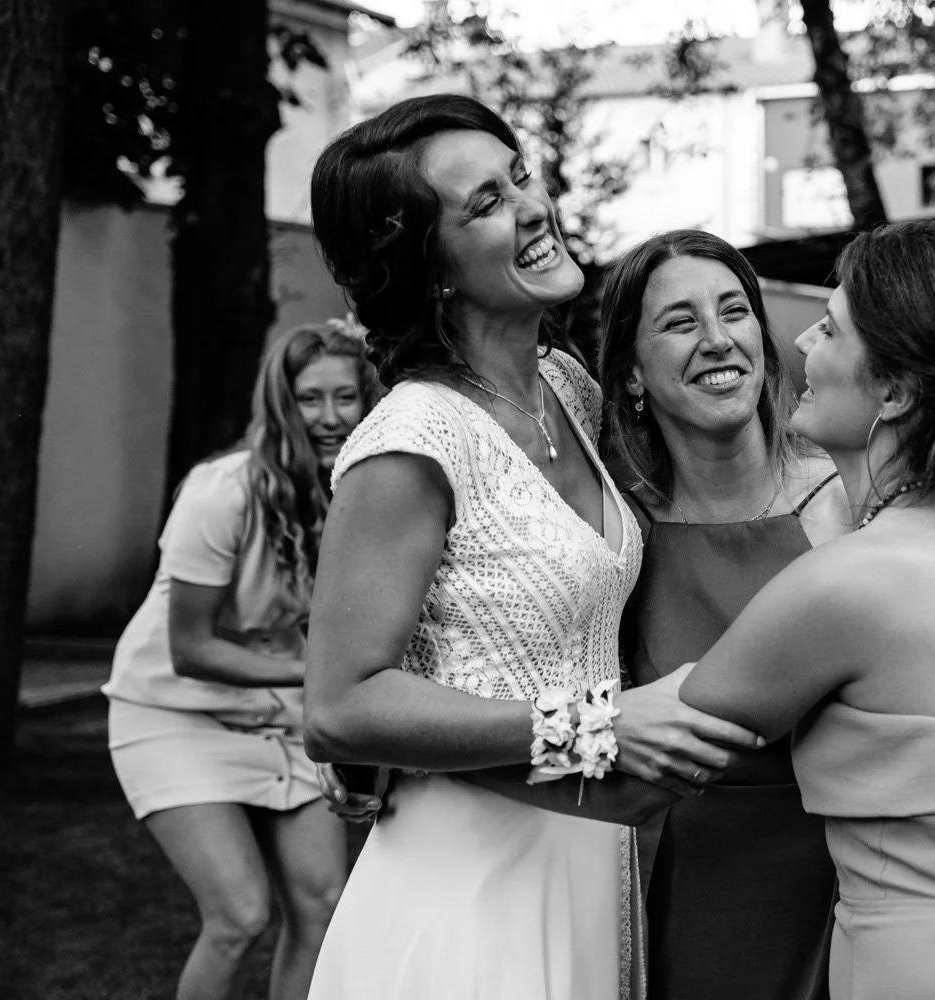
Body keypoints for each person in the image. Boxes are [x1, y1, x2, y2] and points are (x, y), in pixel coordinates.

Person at [299, 95, 761, 1000]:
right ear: (430, 266)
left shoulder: (568, 389)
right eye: (486, 203)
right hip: (465, 888)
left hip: (589, 863)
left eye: (520, 176)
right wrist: (600, 727)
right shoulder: (412, 442)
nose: (533, 207)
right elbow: (339, 706)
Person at [597, 229, 935, 1000]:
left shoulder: (844, 578)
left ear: (894, 392)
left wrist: (463, 749)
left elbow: (652, 745)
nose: (801, 341)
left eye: (830, 327)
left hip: (915, 954)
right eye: (679, 322)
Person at [101, 319, 380, 1000]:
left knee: (322, 905)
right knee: (238, 916)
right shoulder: (221, 491)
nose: (330, 417)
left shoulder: (360, 495)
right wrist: (322, 680)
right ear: (282, 403)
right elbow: (190, 648)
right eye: (310, 398)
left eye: (346, 397)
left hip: (276, 713)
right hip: (173, 714)